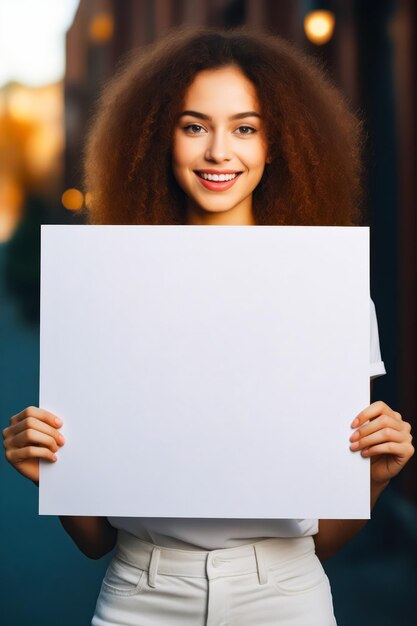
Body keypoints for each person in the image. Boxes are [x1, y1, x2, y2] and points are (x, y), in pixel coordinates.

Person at [2, 27, 414, 626]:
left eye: (245, 127)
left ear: (277, 144)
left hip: (285, 594)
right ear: (157, 138)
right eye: (194, 126)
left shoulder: (326, 288)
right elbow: (94, 539)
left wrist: (371, 481)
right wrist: (50, 470)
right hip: (139, 594)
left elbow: (321, 538)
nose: (219, 151)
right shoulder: (104, 286)